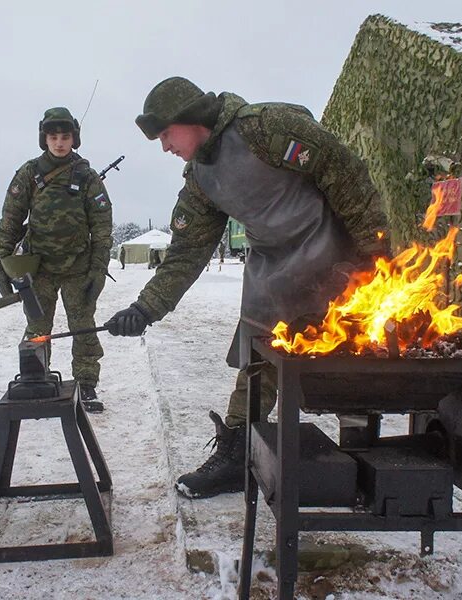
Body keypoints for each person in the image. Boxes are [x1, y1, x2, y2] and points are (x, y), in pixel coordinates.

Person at [106, 77, 390, 498]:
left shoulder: (266, 129)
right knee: (257, 365)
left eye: (166, 134)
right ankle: (238, 454)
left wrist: (376, 256)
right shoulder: (201, 180)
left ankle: (364, 460)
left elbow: (344, 172)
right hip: (273, 276)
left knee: (352, 361)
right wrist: (145, 308)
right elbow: (186, 253)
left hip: (335, 262)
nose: (165, 146)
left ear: (189, 119)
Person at [0, 107, 113, 412]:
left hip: (79, 268)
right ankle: (35, 379)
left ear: (75, 139)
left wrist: (99, 269)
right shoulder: (29, 174)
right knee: (37, 327)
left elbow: (101, 226)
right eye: (53, 136)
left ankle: (86, 385)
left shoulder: (86, 176)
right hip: (39, 269)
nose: (59, 143)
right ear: (43, 138)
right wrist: (1, 261)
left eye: (65, 136)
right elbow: (10, 220)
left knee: (83, 327)